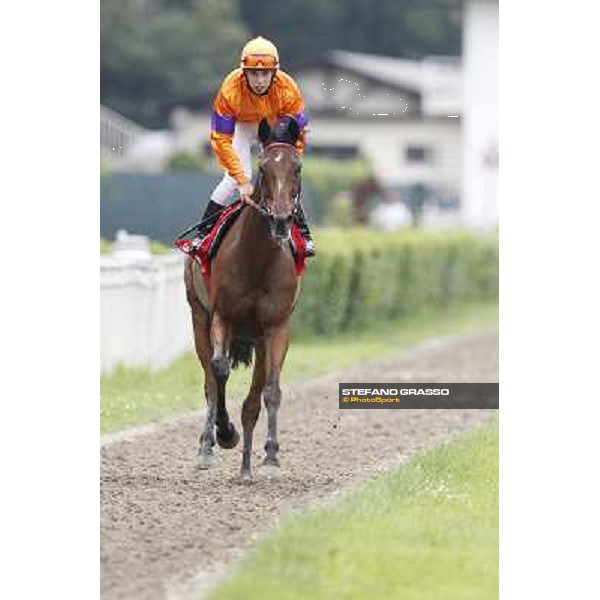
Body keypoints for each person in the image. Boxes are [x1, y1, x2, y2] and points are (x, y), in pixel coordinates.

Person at [192, 36, 315, 256]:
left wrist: (291, 160)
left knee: (285, 174)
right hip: (242, 126)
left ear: (274, 74)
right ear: (244, 73)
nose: (259, 80)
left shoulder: (288, 88)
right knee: (234, 179)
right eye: (253, 73)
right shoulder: (230, 89)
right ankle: (202, 234)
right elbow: (221, 139)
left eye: (265, 74)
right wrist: (241, 181)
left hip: (273, 124)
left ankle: (304, 235)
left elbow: (300, 133)